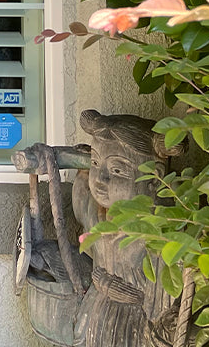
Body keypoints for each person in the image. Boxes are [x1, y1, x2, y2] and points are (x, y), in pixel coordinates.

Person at [72, 109, 186, 347]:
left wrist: (126, 292)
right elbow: (82, 198)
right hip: (99, 317)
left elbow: (165, 311)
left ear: (155, 178)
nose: (100, 178)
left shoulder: (163, 233)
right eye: (95, 163)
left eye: (117, 170)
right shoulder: (100, 216)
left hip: (134, 329)